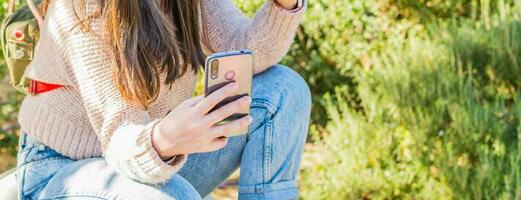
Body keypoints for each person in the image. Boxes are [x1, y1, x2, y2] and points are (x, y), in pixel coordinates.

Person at [15, 0, 310, 199]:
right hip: (62, 170)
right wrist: (163, 138)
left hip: (156, 157)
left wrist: (283, 4)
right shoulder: (82, 7)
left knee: (282, 90)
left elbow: (245, 50)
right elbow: (120, 138)